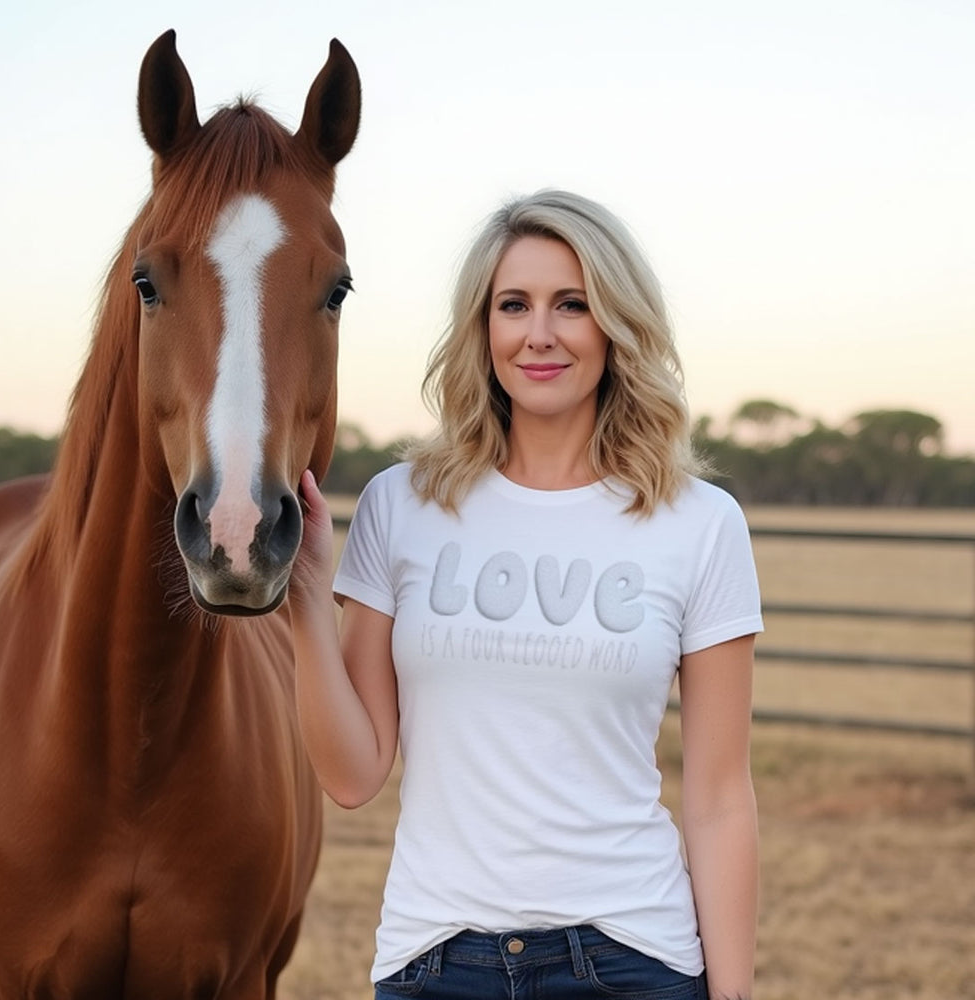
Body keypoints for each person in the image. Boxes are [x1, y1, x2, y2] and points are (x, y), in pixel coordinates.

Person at [293, 189, 762, 1000]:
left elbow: (719, 797)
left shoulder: (700, 523)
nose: (539, 333)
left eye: (571, 305)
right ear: (484, 328)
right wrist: (304, 605)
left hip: (629, 960)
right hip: (434, 962)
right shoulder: (401, 505)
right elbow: (353, 775)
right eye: (514, 305)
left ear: (616, 324)